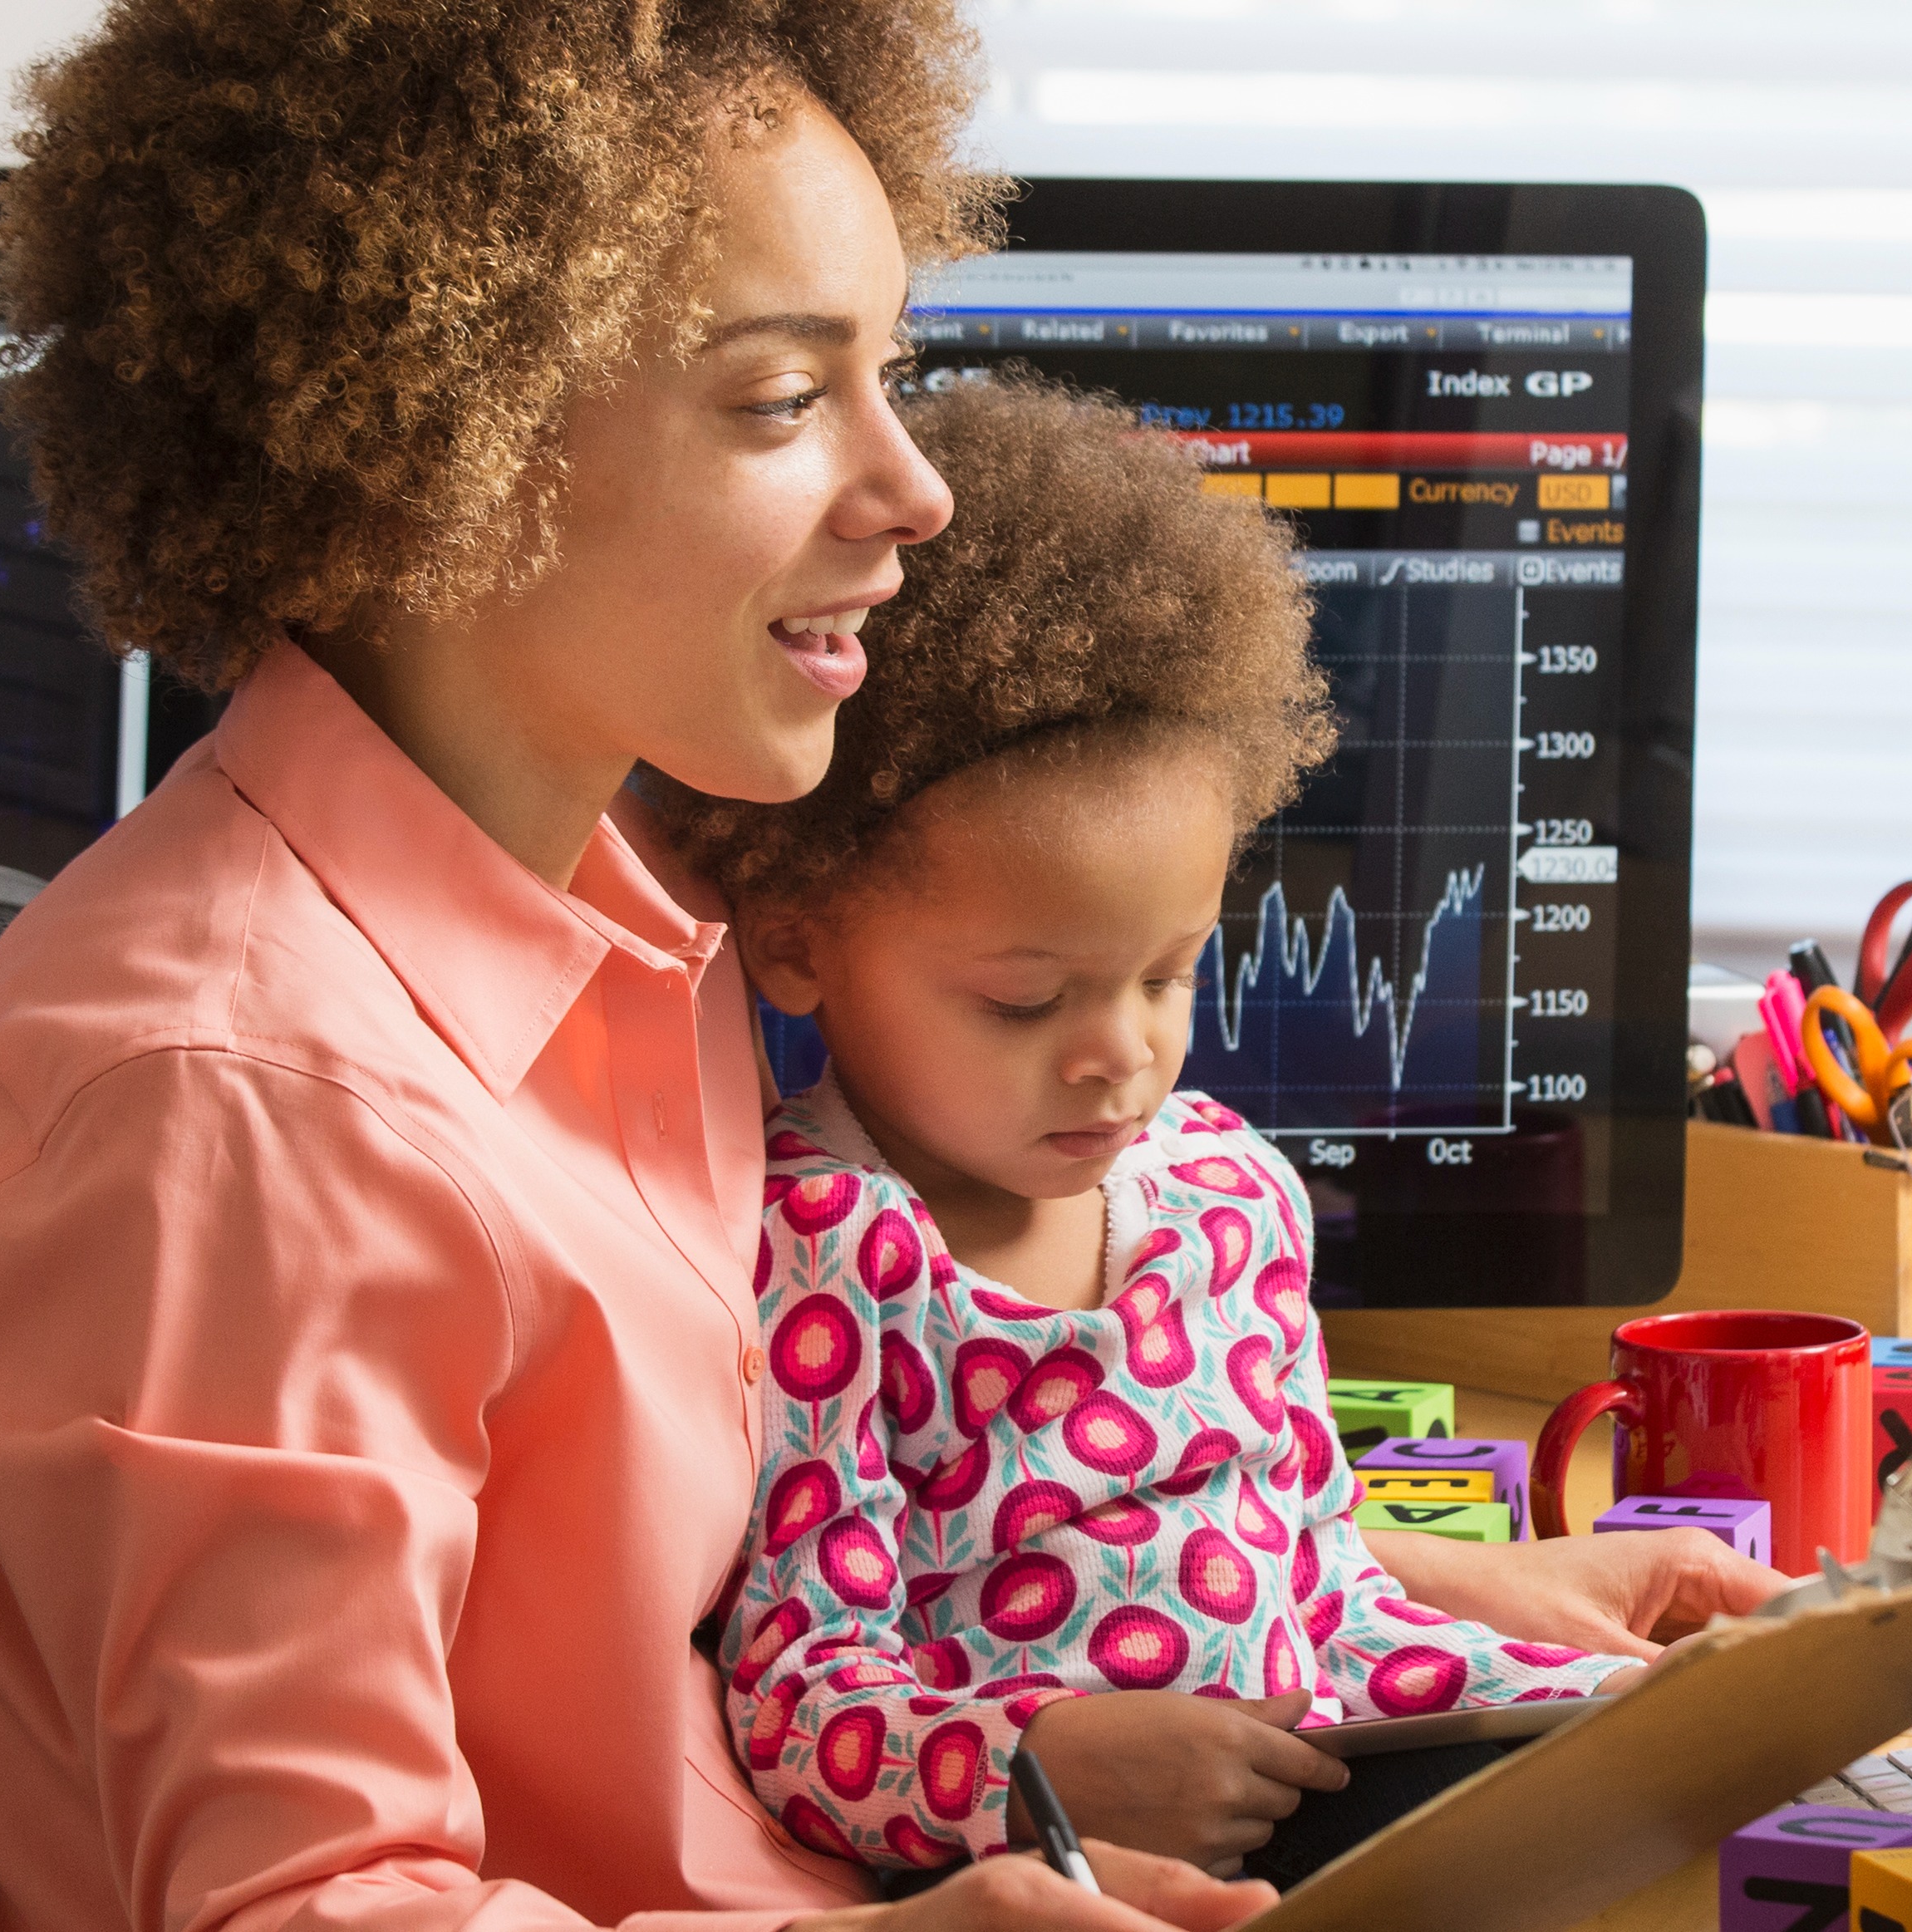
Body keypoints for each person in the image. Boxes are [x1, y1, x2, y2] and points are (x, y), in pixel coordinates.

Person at [0, 5, 1776, 1930]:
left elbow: (834, 1591)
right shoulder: (235, 1114)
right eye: (780, 401)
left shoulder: (623, 930)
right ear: (436, 448)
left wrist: (1438, 1596)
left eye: (889, 374)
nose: (914, 491)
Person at [653, 379, 1650, 1884]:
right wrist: (1038, 1773)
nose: (1121, 1055)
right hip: (1063, 1874)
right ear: (797, 943)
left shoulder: (1226, 1193)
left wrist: (1588, 1700)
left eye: (1170, 973)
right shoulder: (822, 1251)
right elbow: (806, 1696)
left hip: (1326, 1782)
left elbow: (1319, 1580)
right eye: (1022, 1001)